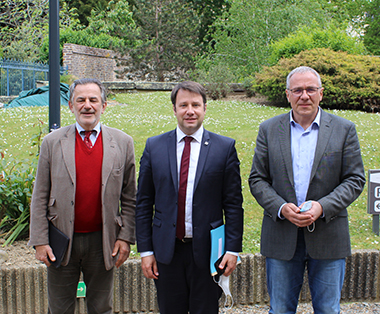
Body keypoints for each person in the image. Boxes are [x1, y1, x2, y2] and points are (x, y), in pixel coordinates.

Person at [248, 66, 366, 314]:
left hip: (329, 235)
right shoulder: (269, 129)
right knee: (280, 310)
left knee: (327, 310)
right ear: (288, 94)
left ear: (321, 93)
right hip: (281, 236)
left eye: (311, 89)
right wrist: (280, 207)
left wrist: (322, 207)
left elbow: (355, 179)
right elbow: (257, 179)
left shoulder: (344, 129)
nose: (305, 95)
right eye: (298, 90)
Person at [28, 78, 136, 314]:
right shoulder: (52, 142)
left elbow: (130, 198)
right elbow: (40, 195)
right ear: (71, 106)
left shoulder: (123, 143)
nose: (87, 105)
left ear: (104, 106)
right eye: (81, 100)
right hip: (61, 241)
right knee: (59, 309)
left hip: (103, 241)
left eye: (93, 100)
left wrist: (125, 237)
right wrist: (40, 241)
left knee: (101, 308)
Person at [135, 81, 244, 314]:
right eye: (183, 105)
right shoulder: (154, 147)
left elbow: (233, 204)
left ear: (205, 108)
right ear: (174, 109)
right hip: (167, 252)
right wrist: (146, 251)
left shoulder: (224, 148)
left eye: (196, 104)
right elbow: (144, 203)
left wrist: (233, 250)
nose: (190, 111)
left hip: (208, 253)